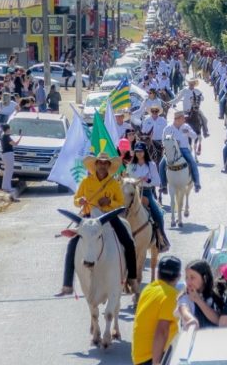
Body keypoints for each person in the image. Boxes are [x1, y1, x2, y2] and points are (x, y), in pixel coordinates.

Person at [57, 153, 138, 296]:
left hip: (108, 218)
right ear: (95, 165)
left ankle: (131, 277)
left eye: (105, 163)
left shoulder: (113, 184)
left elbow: (120, 204)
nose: (102, 165)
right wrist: (80, 201)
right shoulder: (86, 182)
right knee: (72, 245)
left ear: (108, 166)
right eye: (99, 163)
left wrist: (109, 203)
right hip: (88, 219)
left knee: (128, 242)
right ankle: (67, 285)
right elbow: (76, 200)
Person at [132, 256, 182, 365]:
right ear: (178, 276)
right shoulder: (171, 295)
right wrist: (156, 362)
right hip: (153, 357)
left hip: (139, 356)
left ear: (157, 273)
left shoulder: (148, 289)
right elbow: (162, 331)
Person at [128, 142, 170, 252]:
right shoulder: (131, 166)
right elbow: (127, 179)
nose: (139, 153)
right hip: (133, 193)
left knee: (158, 214)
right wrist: (135, 181)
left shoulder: (151, 165)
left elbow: (157, 181)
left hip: (147, 192)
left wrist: (148, 180)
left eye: (141, 151)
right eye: (137, 151)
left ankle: (161, 239)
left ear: (145, 152)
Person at [158, 111, 201, 193]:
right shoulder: (168, 128)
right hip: (171, 150)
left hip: (184, 149)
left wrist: (189, 132)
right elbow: (163, 141)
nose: (184, 120)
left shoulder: (186, 126)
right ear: (177, 119)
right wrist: (171, 143)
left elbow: (195, 136)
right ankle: (163, 185)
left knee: (192, 162)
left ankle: (197, 183)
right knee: (161, 165)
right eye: (183, 118)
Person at [175, 259, 223, 329]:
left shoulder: (215, 296)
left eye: (192, 278)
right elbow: (183, 309)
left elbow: (218, 321)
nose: (188, 281)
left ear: (204, 278)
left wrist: (198, 300)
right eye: (187, 277)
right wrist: (191, 320)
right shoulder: (185, 297)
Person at [0, 124, 22, 193]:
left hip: (5, 154)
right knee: (9, 171)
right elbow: (15, 144)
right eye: (9, 129)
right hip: (8, 154)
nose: (10, 130)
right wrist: (20, 137)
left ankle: (5, 186)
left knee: (7, 171)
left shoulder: (3, 136)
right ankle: (8, 187)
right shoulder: (7, 137)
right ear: (7, 129)